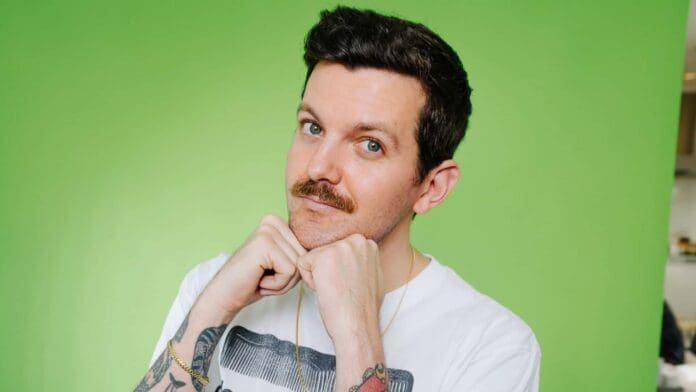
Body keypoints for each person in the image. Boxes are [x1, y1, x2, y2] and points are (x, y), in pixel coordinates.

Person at [135, 6, 540, 392]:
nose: (319, 168)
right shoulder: (213, 285)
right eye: (312, 127)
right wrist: (212, 309)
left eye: (369, 144)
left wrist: (357, 338)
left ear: (432, 187)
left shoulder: (492, 346)